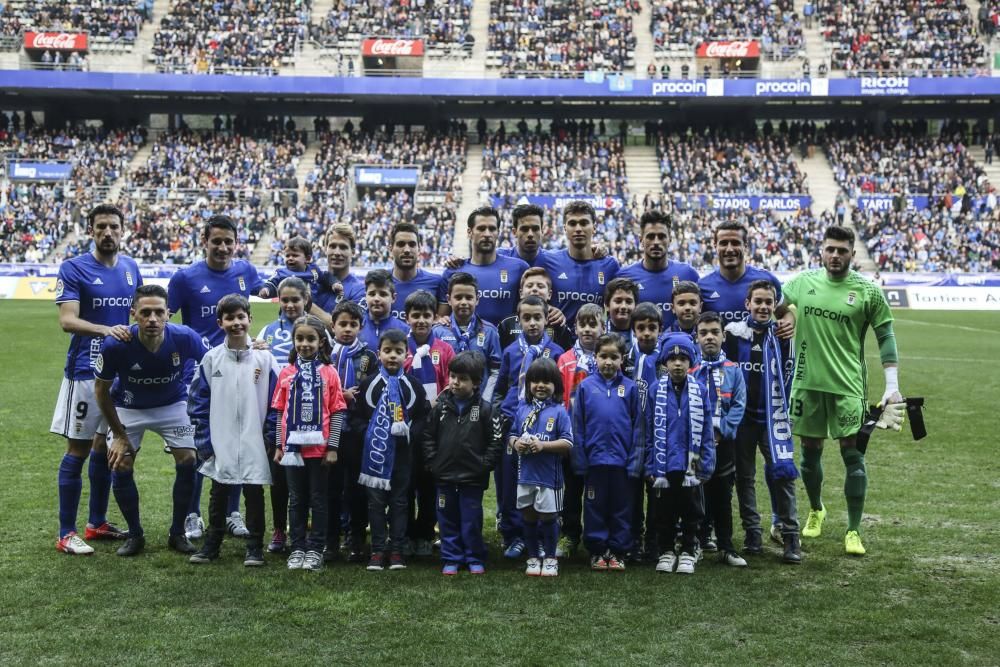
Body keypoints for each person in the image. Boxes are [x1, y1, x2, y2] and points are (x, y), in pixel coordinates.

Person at [782, 226, 903, 557]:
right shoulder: (801, 282)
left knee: (854, 455)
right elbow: (773, 304)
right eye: (830, 249)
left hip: (848, 386)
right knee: (809, 453)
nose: (835, 255)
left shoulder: (868, 291)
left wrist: (892, 385)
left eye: (842, 250)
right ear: (821, 251)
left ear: (852, 254)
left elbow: (886, 335)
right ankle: (817, 509)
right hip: (806, 383)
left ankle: (853, 529)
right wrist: (786, 314)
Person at [93, 285, 209, 557]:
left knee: (189, 460)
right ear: (133, 314)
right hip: (128, 406)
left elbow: (216, 360)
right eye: (145, 313)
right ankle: (135, 535)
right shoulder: (116, 344)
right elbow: (101, 390)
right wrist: (119, 435)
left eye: (159, 312)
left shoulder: (185, 337)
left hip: (173, 404)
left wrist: (251, 345)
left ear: (169, 313)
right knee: (119, 463)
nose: (153, 319)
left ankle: (177, 533)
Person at [51, 204, 140, 554]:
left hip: (118, 375)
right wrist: (106, 330)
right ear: (90, 229)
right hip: (86, 371)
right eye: (101, 226)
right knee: (79, 448)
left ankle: (96, 523)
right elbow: (67, 320)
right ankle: (65, 532)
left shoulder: (132, 268)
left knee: (106, 448)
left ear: (123, 229)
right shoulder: (74, 268)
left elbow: (139, 312)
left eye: (113, 226)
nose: (108, 232)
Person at [167, 215, 263, 539]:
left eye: (228, 241)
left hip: (237, 369)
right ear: (204, 241)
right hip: (199, 374)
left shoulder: (246, 271)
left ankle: (233, 512)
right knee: (197, 449)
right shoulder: (184, 278)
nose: (222, 247)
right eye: (216, 241)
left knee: (235, 442)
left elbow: (265, 294)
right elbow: (163, 320)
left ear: (236, 243)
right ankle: (193, 515)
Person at [187, 295, 281, 567]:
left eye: (241, 317)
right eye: (230, 318)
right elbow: (197, 402)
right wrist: (205, 441)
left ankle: (254, 548)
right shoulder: (211, 359)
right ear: (220, 323)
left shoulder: (265, 358)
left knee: (254, 492)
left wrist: (269, 437)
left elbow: (277, 402)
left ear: (250, 320)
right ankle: (212, 543)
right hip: (221, 439)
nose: (236, 323)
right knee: (219, 491)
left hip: (255, 439)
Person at [723, 280, 801, 563]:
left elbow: (789, 375)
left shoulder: (782, 336)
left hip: (772, 418)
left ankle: (791, 535)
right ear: (747, 304)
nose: (763, 307)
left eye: (769, 302)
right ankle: (752, 533)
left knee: (783, 474)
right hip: (742, 421)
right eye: (758, 301)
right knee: (744, 478)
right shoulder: (733, 334)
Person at [269, 315, 348, 571]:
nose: (305, 344)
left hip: (320, 450)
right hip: (292, 451)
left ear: (321, 341)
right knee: (296, 499)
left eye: (310, 339)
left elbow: (337, 411)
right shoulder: (286, 373)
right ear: (293, 341)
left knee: (318, 498)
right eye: (300, 338)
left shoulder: (329, 372)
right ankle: (297, 547)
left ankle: (316, 548)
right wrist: (280, 445)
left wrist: (333, 447)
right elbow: (280, 411)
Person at [352, 329, 429, 571]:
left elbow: (423, 418)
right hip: (375, 455)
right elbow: (357, 418)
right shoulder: (368, 384)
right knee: (375, 503)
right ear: (379, 354)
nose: (393, 356)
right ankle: (377, 550)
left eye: (398, 351)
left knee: (399, 502)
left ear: (407, 355)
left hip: (403, 457)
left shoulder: (414, 386)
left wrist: (409, 433)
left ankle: (397, 549)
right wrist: (371, 432)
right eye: (387, 351)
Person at [495, 295, 566, 558]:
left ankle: (540, 536)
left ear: (546, 319)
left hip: (544, 430)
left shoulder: (556, 353)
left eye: (538, 317)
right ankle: (514, 536)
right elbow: (502, 388)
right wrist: (502, 414)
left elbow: (559, 392)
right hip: (514, 427)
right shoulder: (511, 351)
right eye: (527, 318)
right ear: (519, 320)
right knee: (511, 482)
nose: (533, 323)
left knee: (539, 483)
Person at [423, 351, 504, 575]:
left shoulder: (487, 410)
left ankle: (474, 556)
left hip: (473, 478)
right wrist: (433, 462)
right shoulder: (440, 407)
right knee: (447, 519)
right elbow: (428, 436)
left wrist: (483, 465)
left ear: (476, 383)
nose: (455, 382)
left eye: (463, 378)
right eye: (452, 376)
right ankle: (451, 557)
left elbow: (496, 441)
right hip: (444, 475)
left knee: (471, 520)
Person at [572, 334, 643, 571]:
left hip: (622, 464)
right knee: (595, 507)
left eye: (614, 357)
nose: (608, 362)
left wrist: (634, 462)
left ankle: (618, 551)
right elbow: (577, 427)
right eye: (604, 356)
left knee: (622, 508)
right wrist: (580, 460)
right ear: (595, 357)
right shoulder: (585, 387)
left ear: (622, 359)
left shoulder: (631, 389)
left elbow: (638, 428)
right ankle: (598, 550)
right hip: (594, 463)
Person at [647, 334, 714, 575]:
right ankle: (666, 550)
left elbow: (706, 429)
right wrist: (649, 465)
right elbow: (647, 430)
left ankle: (688, 549)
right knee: (664, 510)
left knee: (691, 509)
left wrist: (706, 463)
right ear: (664, 362)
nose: (677, 363)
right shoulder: (655, 390)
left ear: (691, 361)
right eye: (672, 358)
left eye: (683, 358)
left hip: (691, 463)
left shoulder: (700, 390)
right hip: (663, 464)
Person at [255, 276, 310, 553]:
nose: (290, 305)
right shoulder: (267, 331)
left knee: (308, 475)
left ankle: (304, 527)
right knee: (278, 476)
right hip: (277, 414)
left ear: (305, 300)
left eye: (295, 300)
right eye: (285, 300)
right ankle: (279, 529)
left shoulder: (316, 329)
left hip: (310, 414)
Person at [691, 311, 748, 567]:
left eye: (715, 332)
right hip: (697, 444)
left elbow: (738, 404)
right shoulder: (691, 370)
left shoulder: (733, 370)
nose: (709, 337)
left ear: (724, 336)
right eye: (703, 333)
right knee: (696, 492)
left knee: (723, 495)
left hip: (723, 444)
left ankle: (726, 545)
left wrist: (722, 430)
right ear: (696, 338)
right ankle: (699, 540)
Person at [510, 358, 574, 577]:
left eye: (546, 381)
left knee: (548, 518)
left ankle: (550, 558)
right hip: (526, 476)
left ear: (555, 385)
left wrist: (543, 445)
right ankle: (532, 557)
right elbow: (511, 435)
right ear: (528, 384)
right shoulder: (522, 409)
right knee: (528, 517)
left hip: (550, 478)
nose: (540, 386)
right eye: (535, 381)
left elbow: (567, 443)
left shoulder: (559, 411)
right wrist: (516, 443)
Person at [403, 289, 455, 557]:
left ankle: (425, 531)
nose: (421, 320)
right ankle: (404, 533)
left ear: (435, 317)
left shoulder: (444, 350)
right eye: (416, 316)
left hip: (434, 427)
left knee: (428, 482)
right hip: (405, 427)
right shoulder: (401, 349)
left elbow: (451, 384)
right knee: (405, 481)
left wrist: (438, 406)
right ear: (406, 317)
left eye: (426, 315)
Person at [329, 300, 380, 562]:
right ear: (333, 326)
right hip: (329, 432)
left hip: (356, 432)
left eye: (353, 324)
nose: (347, 329)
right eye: (342, 324)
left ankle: (356, 537)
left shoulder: (369, 357)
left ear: (361, 327)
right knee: (331, 484)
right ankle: (331, 536)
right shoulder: (324, 354)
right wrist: (341, 395)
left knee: (355, 486)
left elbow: (371, 394)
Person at [554, 302, 603, 557]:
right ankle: (570, 535)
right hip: (571, 437)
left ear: (603, 328)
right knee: (571, 490)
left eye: (593, 324)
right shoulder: (565, 360)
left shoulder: (607, 358)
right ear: (575, 328)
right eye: (582, 325)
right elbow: (559, 398)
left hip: (598, 437)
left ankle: (596, 536)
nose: (587, 330)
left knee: (596, 491)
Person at [438, 206, 530, 326]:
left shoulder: (519, 268)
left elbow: (534, 307)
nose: (487, 234)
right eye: (481, 229)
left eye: (492, 229)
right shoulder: (453, 272)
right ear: (469, 233)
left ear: (498, 233)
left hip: (508, 344)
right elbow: (442, 319)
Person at [535, 200, 620, 327]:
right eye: (572, 223)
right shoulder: (547, 260)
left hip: (594, 344)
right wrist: (547, 308)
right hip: (556, 343)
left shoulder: (610, 265)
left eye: (584, 223)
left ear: (594, 228)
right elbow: (528, 296)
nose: (578, 229)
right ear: (565, 228)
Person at [617, 210, 699, 328]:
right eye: (650, 236)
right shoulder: (624, 276)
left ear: (670, 239)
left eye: (661, 236)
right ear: (641, 240)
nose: (656, 242)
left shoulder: (688, 274)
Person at [433, 272, 503, 402]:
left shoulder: (490, 332)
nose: (464, 302)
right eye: (458, 297)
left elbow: (496, 371)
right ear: (449, 299)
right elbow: (436, 371)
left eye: (469, 297)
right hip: (447, 403)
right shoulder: (438, 332)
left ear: (477, 299)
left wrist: (485, 401)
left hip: (480, 401)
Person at [498, 267, 574, 351]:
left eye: (540, 286)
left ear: (549, 294)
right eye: (529, 286)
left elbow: (568, 358)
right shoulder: (506, 324)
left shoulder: (558, 323)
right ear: (521, 293)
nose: (534, 289)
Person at [388, 222, 442, 320]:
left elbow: (441, 322)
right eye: (401, 244)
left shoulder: (436, 283)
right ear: (391, 249)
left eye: (412, 244)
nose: (407, 250)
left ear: (419, 248)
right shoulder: (380, 282)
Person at [314, 224, 367, 316]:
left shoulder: (359, 290)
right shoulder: (313, 282)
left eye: (343, 247)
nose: (337, 252)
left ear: (353, 252)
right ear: (325, 249)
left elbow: (346, 328)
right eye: (333, 246)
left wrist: (307, 304)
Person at [258, 237, 322, 300]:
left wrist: (332, 283)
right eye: (287, 256)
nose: (290, 258)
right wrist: (266, 290)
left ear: (307, 259)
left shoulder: (314, 269)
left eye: (295, 255)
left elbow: (324, 277)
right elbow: (271, 284)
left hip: (313, 308)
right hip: (289, 308)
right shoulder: (281, 273)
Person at [359, 269, 409, 350]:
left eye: (383, 294)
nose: (376, 298)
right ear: (365, 296)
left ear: (393, 298)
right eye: (372, 294)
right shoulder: (355, 327)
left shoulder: (405, 331)